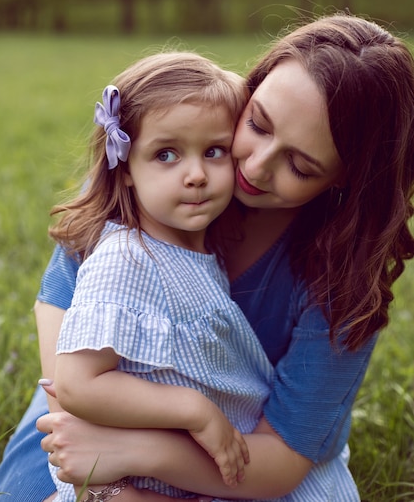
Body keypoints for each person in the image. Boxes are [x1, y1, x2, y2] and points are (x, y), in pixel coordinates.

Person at [0, 13, 414, 502]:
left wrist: (141, 456)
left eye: (300, 166)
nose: (254, 167)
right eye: (257, 124)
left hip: (241, 461)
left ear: (345, 179)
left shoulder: (342, 273)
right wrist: (107, 486)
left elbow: (280, 458)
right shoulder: (160, 163)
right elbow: (67, 364)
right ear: (250, 89)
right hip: (83, 429)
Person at [41, 50, 276, 502]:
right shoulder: (126, 259)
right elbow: (75, 382)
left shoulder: (195, 253)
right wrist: (194, 410)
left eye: (214, 151)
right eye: (166, 154)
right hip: (128, 482)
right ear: (125, 168)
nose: (195, 175)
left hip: (186, 475)